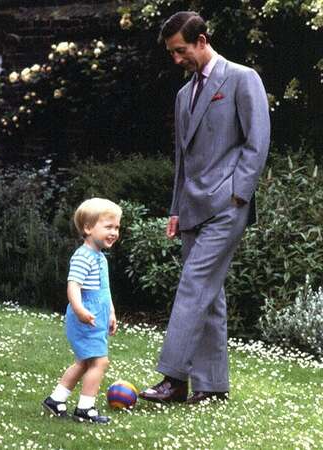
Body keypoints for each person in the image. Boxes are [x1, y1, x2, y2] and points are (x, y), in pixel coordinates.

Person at [139, 11, 270, 405]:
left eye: (181, 50)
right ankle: (211, 387)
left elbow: (257, 141)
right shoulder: (183, 95)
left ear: (202, 40)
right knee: (209, 295)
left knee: (194, 285)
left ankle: (174, 378)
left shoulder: (243, 78)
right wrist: (176, 210)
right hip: (192, 209)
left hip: (227, 206)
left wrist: (238, 194)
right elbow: (183, 159)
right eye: (172, 53)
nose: (177, 59)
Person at [42, 198, 121, 424]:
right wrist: (79, 310)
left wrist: (111, 313)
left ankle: (56, 399)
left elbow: (104, 291)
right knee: (99, 362)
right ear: (88, 228)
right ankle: (85, 408)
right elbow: (73, 286)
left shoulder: (99, 257)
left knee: (84, 362)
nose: (114, 232)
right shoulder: (83, 256)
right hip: (85, 317)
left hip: (97, 316)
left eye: (116, 227)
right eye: (108, 226)